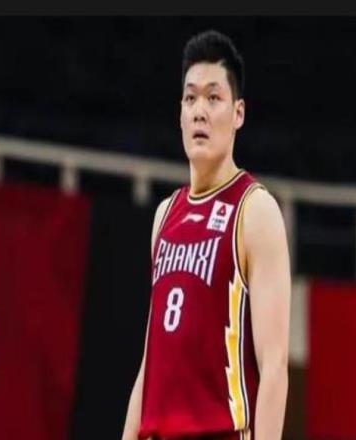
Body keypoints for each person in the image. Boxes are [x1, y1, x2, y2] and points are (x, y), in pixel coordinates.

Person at [121, 29, 291, 440]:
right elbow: (150, 363)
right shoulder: (165, 215)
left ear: (238, 113)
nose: (199, 111)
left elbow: (274, 365)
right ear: (179, 113)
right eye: (190, 98)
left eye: (214, 98)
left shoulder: (254, 210)